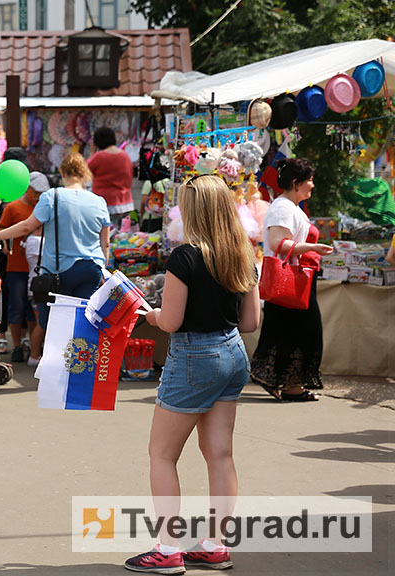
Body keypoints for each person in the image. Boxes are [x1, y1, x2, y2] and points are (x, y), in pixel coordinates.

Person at [124, 173, 261, 573]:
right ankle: (215, 544)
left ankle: (167, 549)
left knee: (162, 455)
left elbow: (170, 322)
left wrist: (149, 313)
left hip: (192, 358)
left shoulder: (185, 257)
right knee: (220, 454)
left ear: (192, 211)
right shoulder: (244, 254)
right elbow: (251, 322)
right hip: (232, 353)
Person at [0, 152, 111, 330]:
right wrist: (104, 269)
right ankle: (77, 357)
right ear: (84, 174)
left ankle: (57, 357)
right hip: (91, 269)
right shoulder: (99, 201)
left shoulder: (52, 197)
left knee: (56, 326)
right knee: (82, 324)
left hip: (60, 272)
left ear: (62, 172)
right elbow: (106, 243)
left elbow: (27, 227)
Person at [249, 157, 333, 402]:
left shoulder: (291, 207)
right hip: (291, 279)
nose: (312, 185)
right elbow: (277, 243)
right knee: (303, 331)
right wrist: (312, 247)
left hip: (299, 279)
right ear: (296, 183)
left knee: (288, 332)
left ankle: (284, 382)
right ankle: (289, 385)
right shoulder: (283, 208)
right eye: (309, 180)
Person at [0, 172, 47, 363]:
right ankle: (16, 345)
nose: (39, 196)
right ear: (28, 189)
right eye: (36, 191)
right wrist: (6, 243)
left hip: (39, 268)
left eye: (42, 192)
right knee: (16, 306)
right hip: (16, 265)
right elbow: (1, 229)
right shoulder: (14, 207)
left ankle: (32, 345)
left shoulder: (44, 208)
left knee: (34, 309)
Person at [87, 126, 135, 229]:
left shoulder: (99, 156)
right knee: (121, 238)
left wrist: (92, 151)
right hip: (125, 202)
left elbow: (84, 171)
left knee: (104, 237)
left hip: (105, 203)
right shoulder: (125, 156)